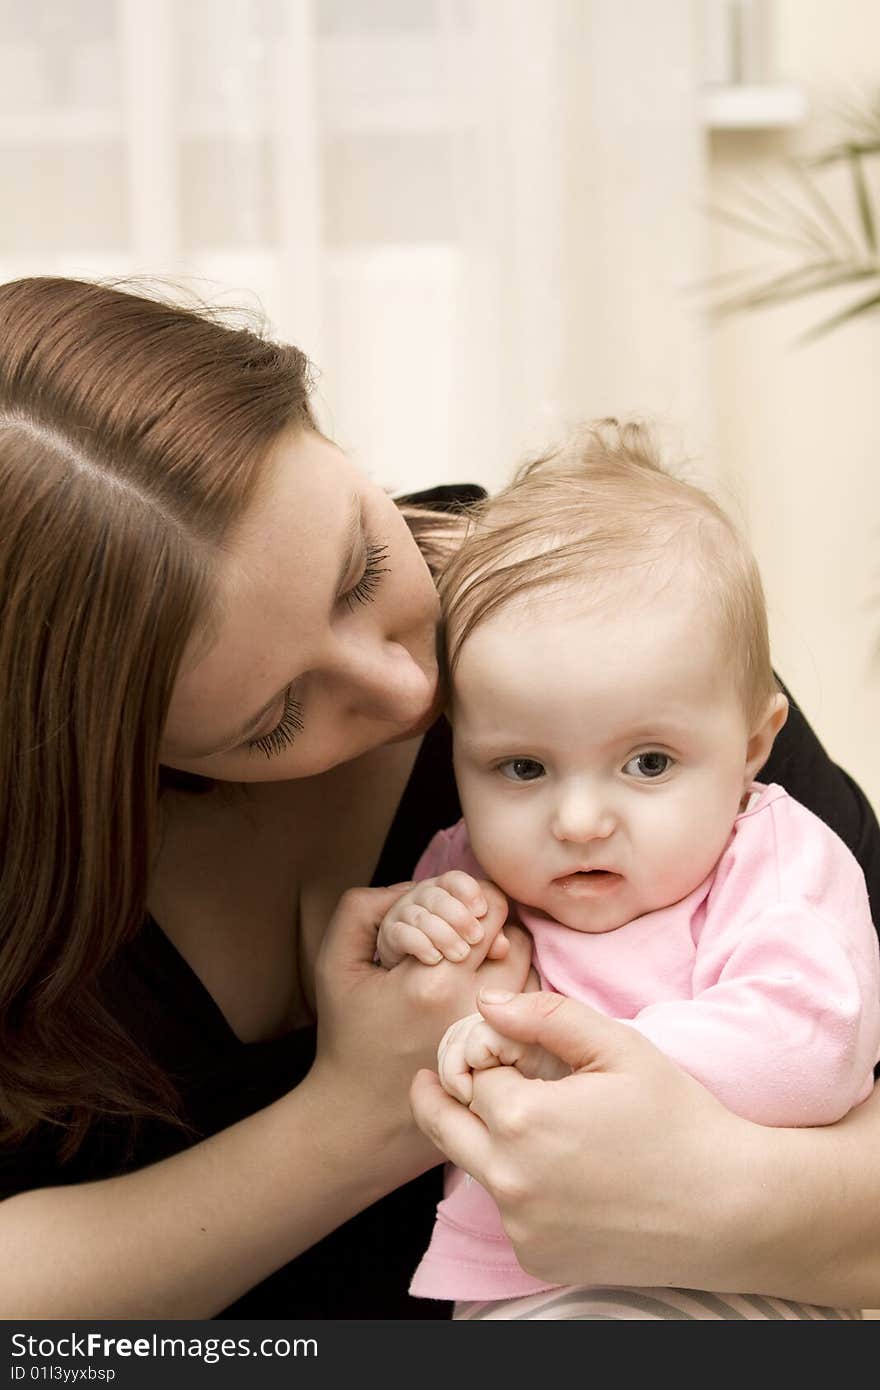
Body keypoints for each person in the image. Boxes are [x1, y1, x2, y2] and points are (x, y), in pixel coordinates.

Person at [0, 278, 878, 1320]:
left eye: (363, 568)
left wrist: (705, 1188)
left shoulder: (580, 610)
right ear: (107, 763)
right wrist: (360, 1119)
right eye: (274, 719)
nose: (415, 689)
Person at [376, 422, 880, 1319]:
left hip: (738, 1279)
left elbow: (814, 1046)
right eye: (521, 768)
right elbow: (411, 1022)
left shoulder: (771, 860)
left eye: (648, 764)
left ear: (755, 745)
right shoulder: (469, 865)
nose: (576, 822)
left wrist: (570, 1057)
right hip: (519, 1288)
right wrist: (410, 928)